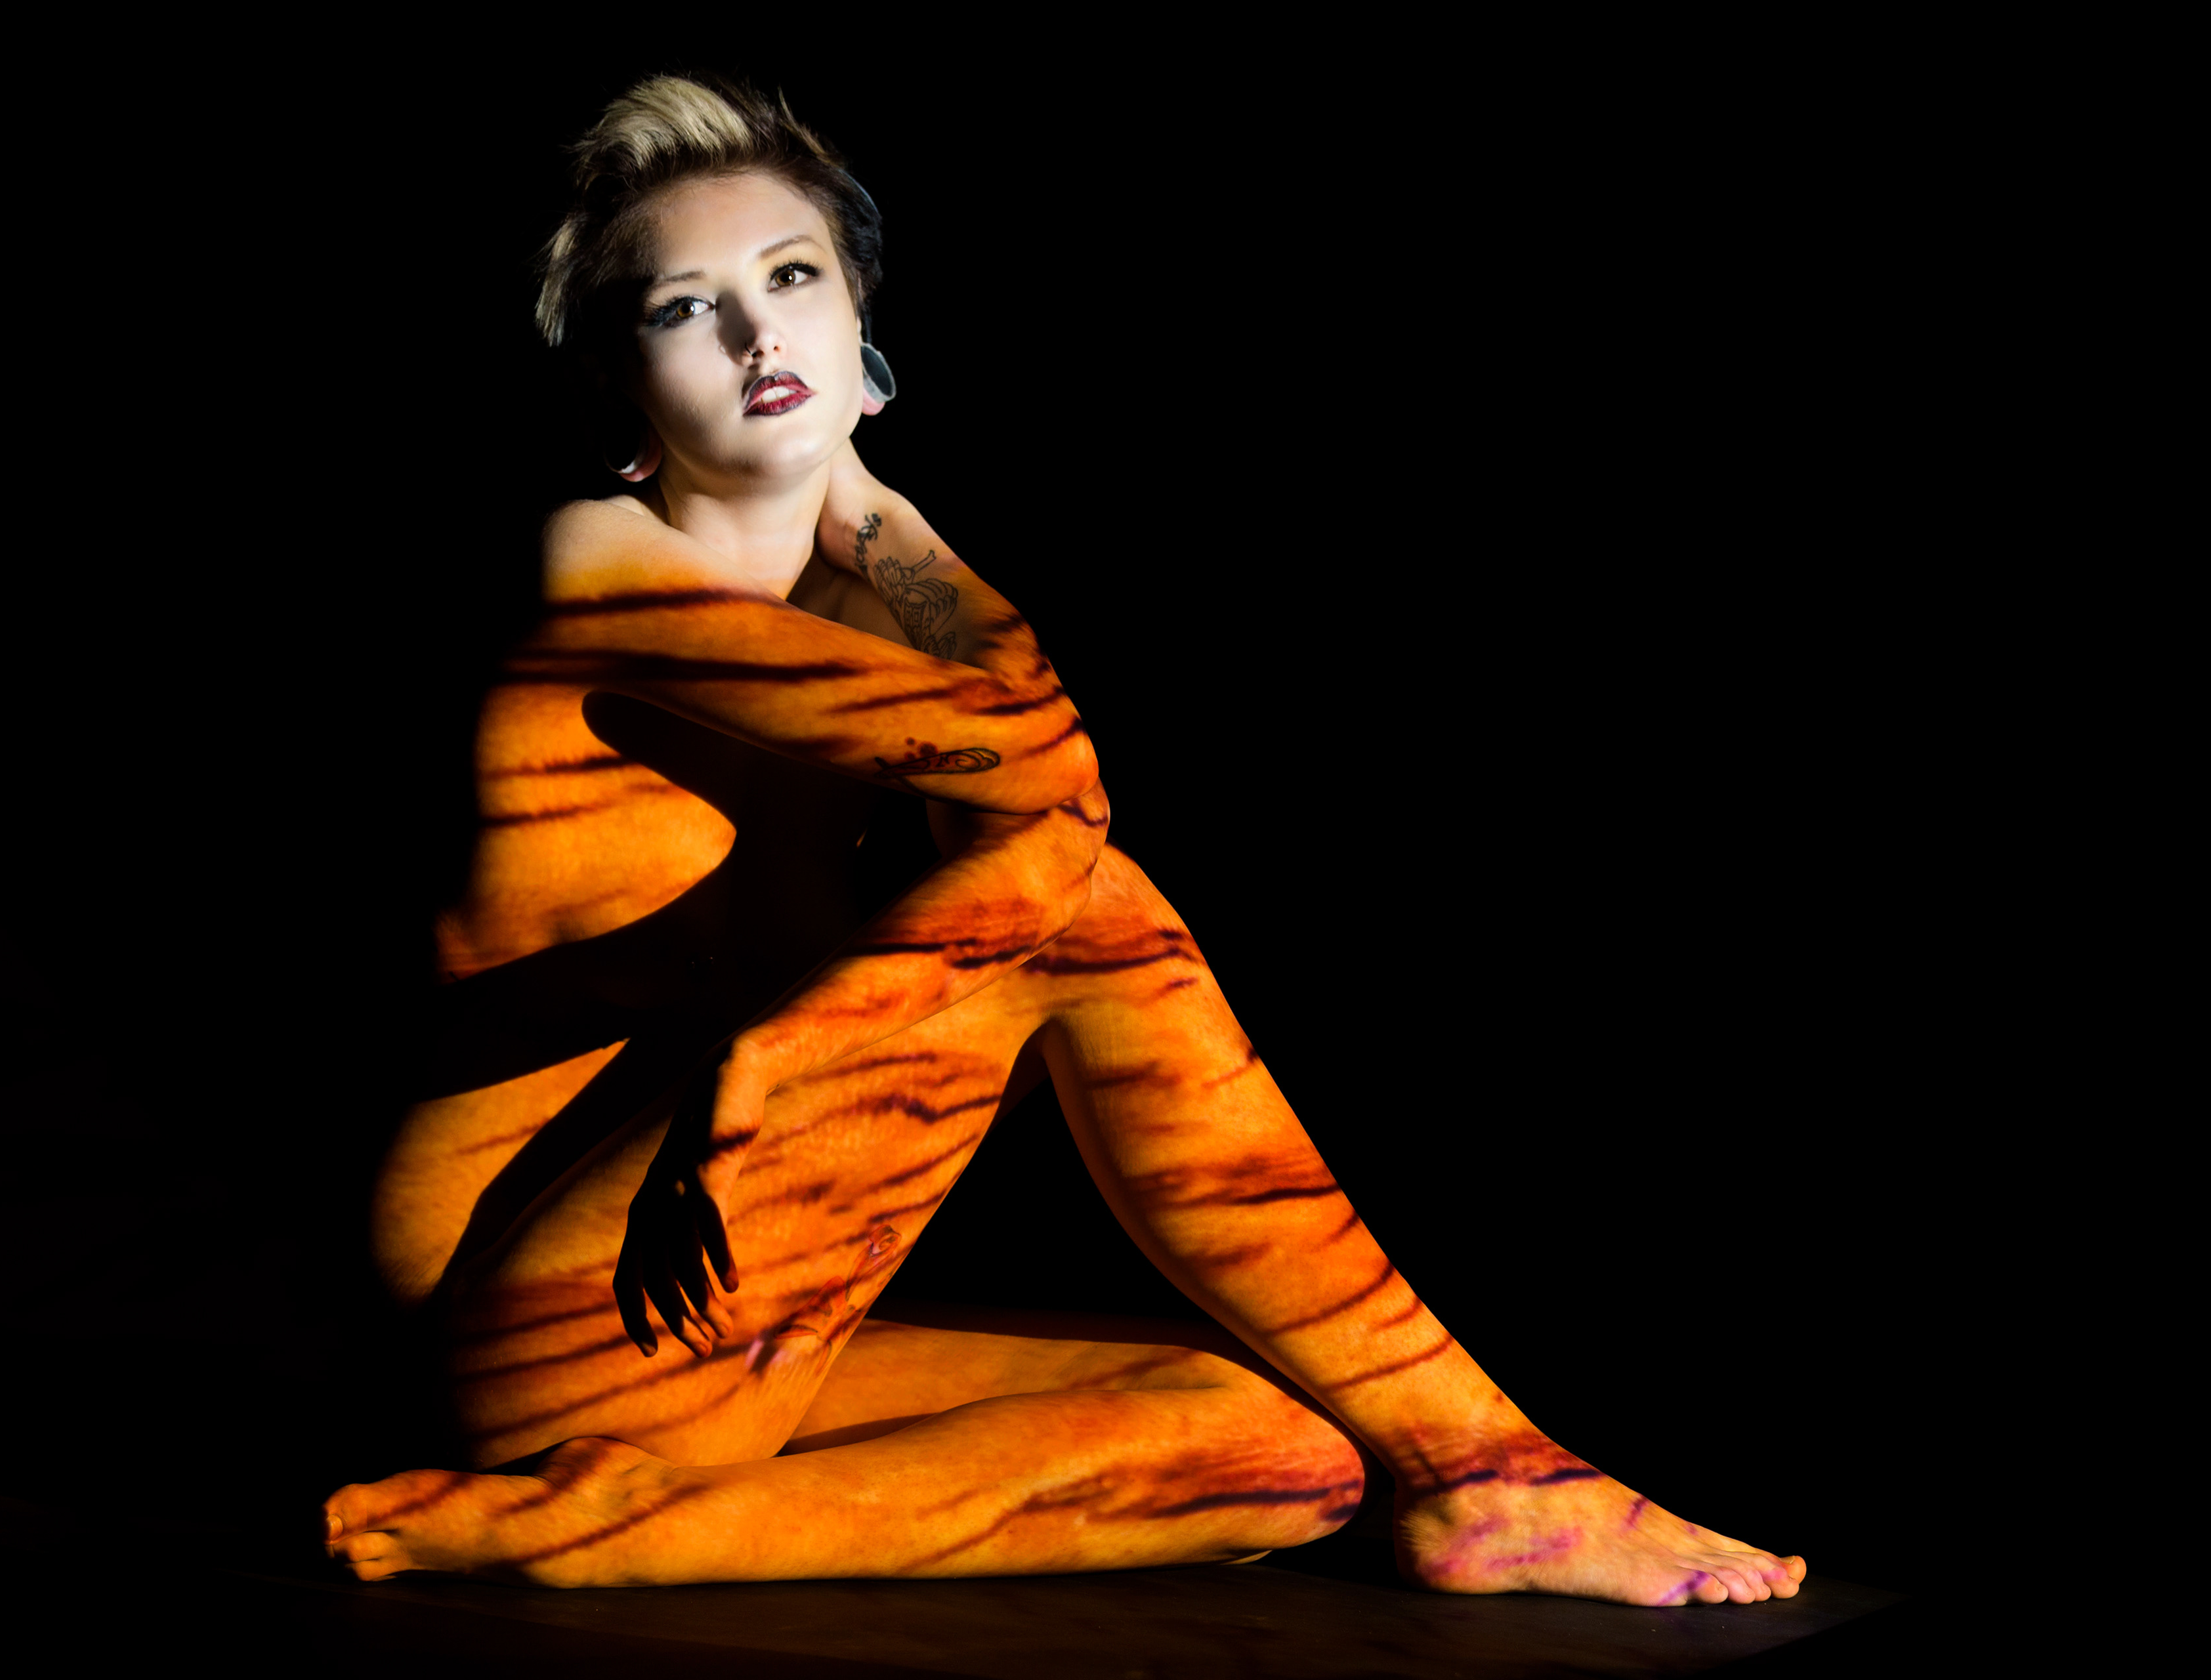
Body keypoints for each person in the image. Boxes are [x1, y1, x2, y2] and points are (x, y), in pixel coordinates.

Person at [323, 74, 1805, 1607]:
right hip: (538, 1328)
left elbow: (1043, 792)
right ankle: (1502, 1472)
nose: (761, 334)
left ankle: (607, 1526)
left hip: (705, 1309)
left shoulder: (858, 601)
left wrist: (876, 521)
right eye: (686, 308)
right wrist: (883, 522)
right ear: (620, 394)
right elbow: (1048, 776)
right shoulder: (600, 569)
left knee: (1280, 1453)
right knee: (1090, 907)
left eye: (794, 279)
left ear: (862, 334)